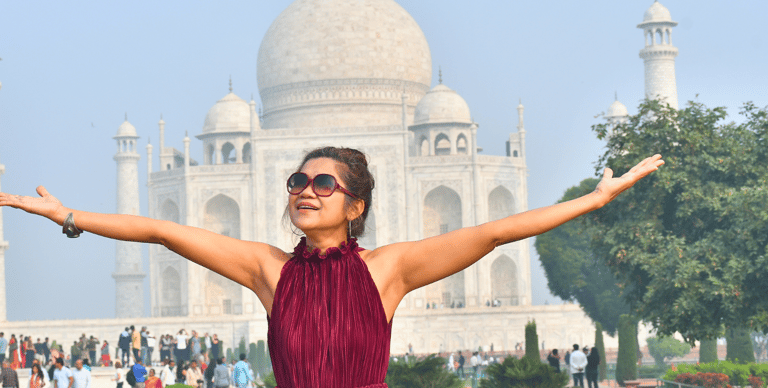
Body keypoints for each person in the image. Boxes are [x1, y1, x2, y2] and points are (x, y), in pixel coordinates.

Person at [0, 148, 663, 388]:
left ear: (357, 204)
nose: (305, 190)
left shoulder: (387, 271)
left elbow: (493, 231)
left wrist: (593, 200)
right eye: (296, 180)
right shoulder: (268, 271)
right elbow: (161, 231)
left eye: (323, 182)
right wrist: (67, 215)